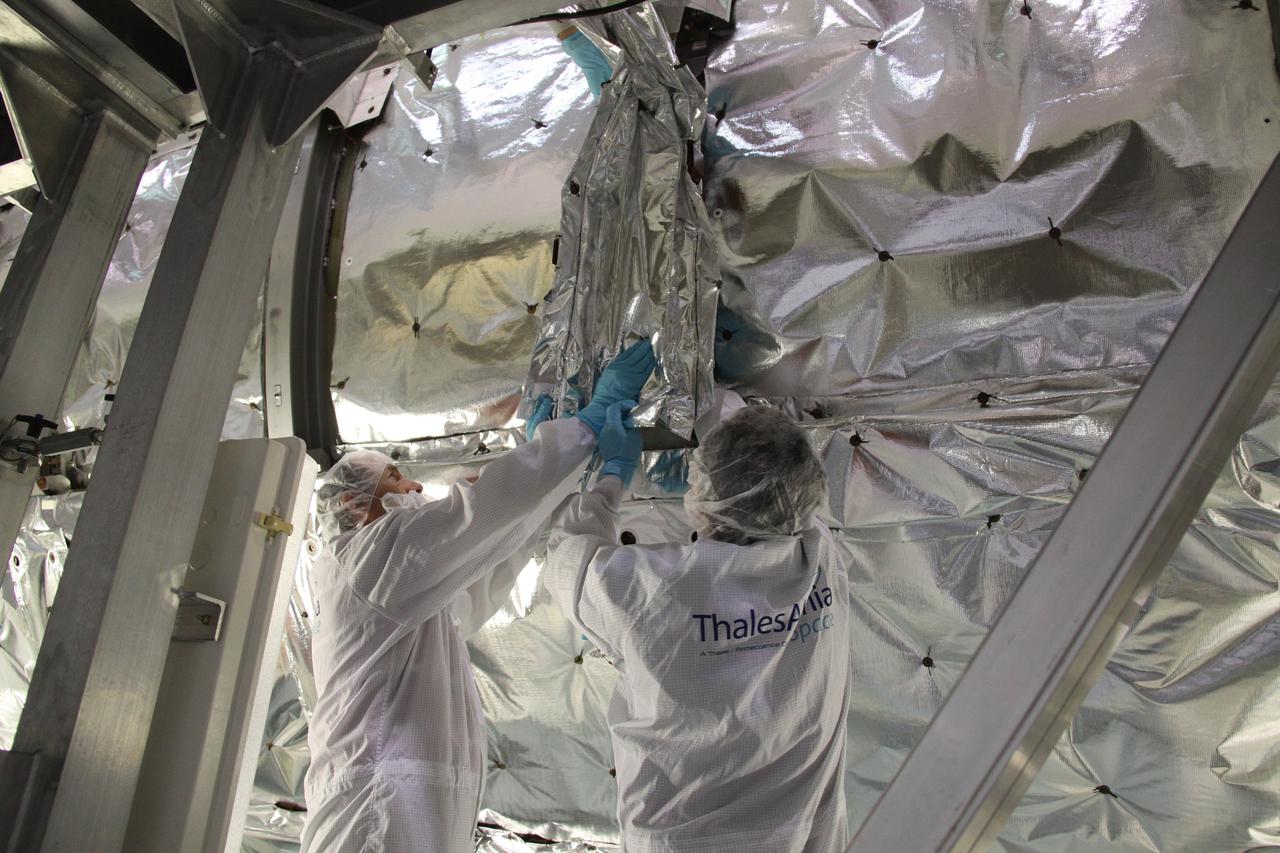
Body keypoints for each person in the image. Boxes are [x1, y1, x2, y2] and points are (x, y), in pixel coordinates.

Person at [302, 340, 656, 853]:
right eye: (396, 481)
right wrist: (582, 429)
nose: (419, 490)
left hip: (396, 811)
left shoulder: (402, 598)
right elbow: (479, 514)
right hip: (373, 819)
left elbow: (487, 561)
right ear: (356, 508)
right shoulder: (363, 560)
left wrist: (565, 481)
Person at [544, 405, 849, 852]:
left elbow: (567, 555)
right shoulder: (821, 560)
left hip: (684, 839)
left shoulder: (649, 589)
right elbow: (773, 482)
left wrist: (612, 477)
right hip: (805, 834)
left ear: (706, 493)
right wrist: (712, 411)